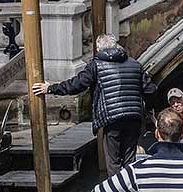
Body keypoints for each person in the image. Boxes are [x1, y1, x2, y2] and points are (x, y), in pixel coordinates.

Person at [31, 34, 157, 175]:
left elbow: (77, 85)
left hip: (111, 117)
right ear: (116, 45)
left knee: (113, 160)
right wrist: (145, 108)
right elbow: (150, 89)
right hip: (133, 117)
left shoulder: (95, 65)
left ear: (98, 48)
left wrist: (51, 88)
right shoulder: (135, 64)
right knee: (129, 159)